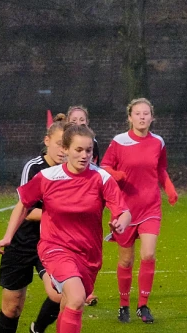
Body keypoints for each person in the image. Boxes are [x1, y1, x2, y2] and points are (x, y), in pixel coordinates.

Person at [0, 123, 131, 333]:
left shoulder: (101, 178)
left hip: (89, 254)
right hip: (55, 247)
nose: (84, 155)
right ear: (65, 150)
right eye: (78, 149)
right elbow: (23, 204)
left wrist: (121, 221)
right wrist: (8, 236)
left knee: (71, 301)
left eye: (89, 150)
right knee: (77, 297)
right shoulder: (48, 177)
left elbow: (123, 211)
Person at [0, 116, 66, 333]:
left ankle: (39, 329)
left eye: (66, 145)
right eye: (59, 144)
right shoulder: (34, 168)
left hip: (52, 243)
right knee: (12, 306)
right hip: (23, 242)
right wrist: (57, 213)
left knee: (59, 293)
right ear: (47, 142)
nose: (63, 151)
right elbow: (27, 207)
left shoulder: (70, 171)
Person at [101, 97, 178, 324]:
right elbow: (104, 166)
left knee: (148, 254)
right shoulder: (119, 141)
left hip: (150, 206)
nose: (142, 117)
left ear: (152, 117)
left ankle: (143, 305)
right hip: (124, 209)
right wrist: (115, 175)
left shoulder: (158, 142)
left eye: (146, 113)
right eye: (138, 113)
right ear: (130, 117)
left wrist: (169, 188)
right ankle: (123, 304)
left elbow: (161, 169)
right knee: (126, 260)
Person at [67, 104, 102, 305]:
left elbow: (98, 168)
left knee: (87, 242)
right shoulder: (61, 142)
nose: (78, 124)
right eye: (74, 121)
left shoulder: (93, 144)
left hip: (87, 196)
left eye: (82, 121)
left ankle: (86, 290)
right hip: (67, 199)